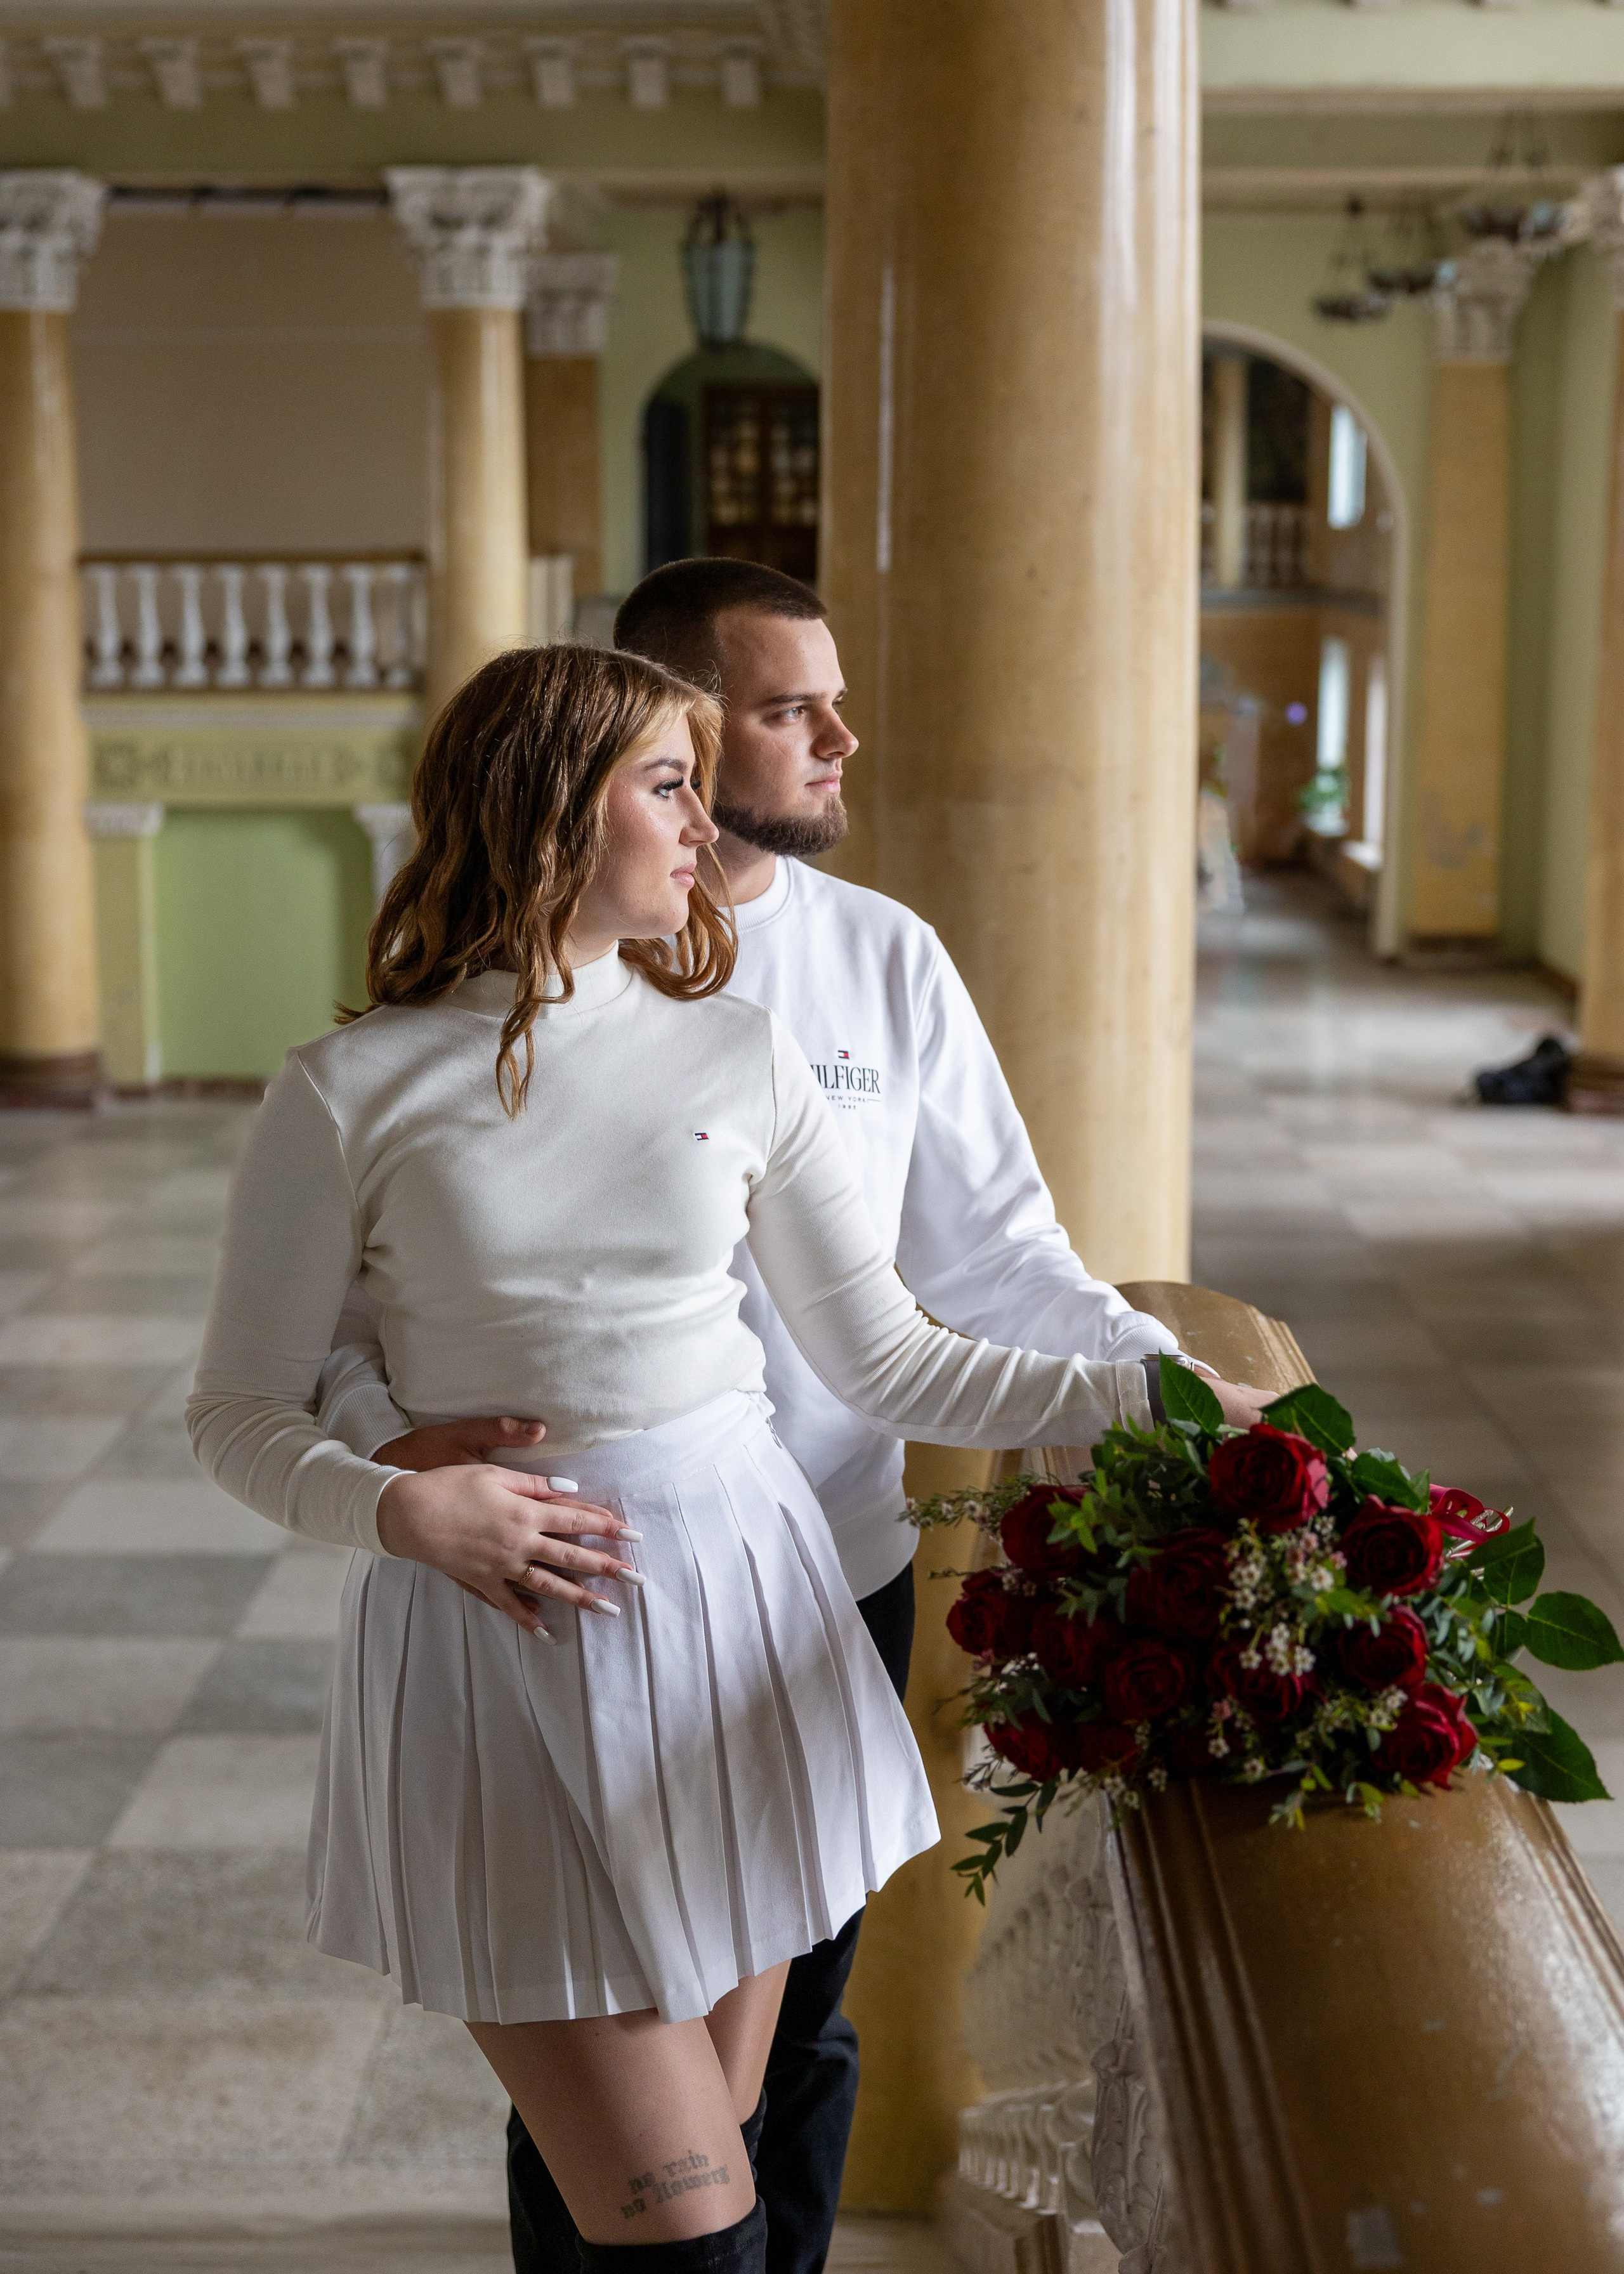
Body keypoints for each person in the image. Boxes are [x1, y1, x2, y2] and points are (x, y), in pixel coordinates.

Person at [308, 568, 1264, 2274]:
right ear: (652, 720)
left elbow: (991, 1276)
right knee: (603, 2088)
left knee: (787, 2051)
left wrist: (1163, 1383)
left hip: (809, 1586)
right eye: (783, 708)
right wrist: (397, 1460)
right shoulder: (427, 1052)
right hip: (552, 1602)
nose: (841, 736)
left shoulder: (877, 959)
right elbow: (357, 1331)